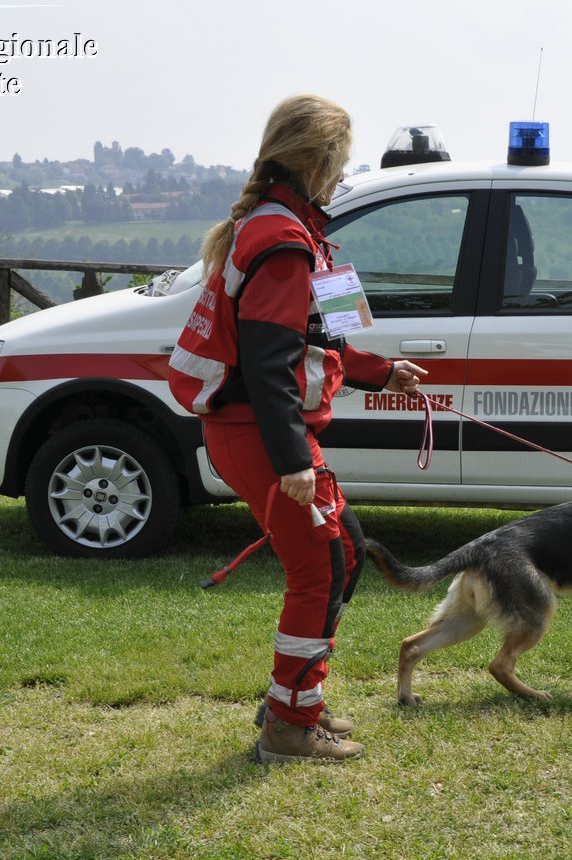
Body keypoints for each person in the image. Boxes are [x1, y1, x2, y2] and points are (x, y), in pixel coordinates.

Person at [167, 95, 426, 763]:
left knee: (343, 554)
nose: (343, 175)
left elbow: (318, 336)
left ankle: (296, 700)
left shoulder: (290, 228)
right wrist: (292, 461)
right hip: (258, 430)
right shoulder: (283, 241)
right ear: (317, 161)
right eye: (339, 162)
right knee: (320, 566)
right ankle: (288, 726)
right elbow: (267, 361)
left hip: (256, 427)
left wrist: (380, 370)